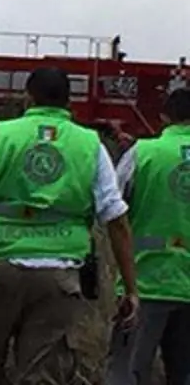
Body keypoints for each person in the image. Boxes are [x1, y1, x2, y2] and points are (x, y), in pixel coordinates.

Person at [0, 66, 139, 385]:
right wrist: (130, 288)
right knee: (43, 377)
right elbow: (116, 220)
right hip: (58, 275)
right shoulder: (91, 146)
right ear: (68, 102)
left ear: (27, 98)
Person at [104, 86, 190, 385]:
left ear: (164, 116)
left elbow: (113, 208)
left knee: (126, 372)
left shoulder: (142, 153)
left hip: (145, 282)